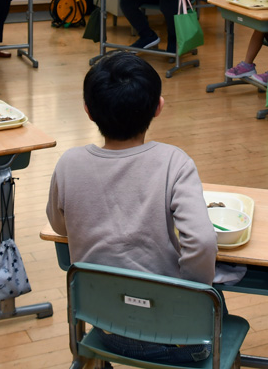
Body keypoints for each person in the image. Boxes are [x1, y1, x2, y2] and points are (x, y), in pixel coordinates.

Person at [46, 52, 217, 363]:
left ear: (88, 111)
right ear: (158, 107)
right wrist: (191, 293)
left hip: (102, 327)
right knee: (218, 302)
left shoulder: (69, 163)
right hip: (174, 338)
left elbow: (59, 227)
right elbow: (203, 241)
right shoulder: (173, 162)